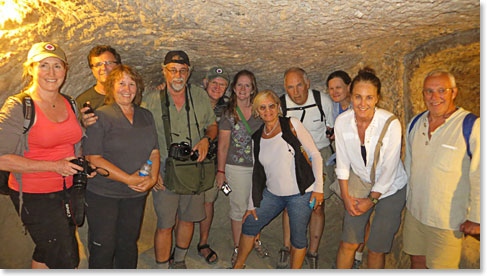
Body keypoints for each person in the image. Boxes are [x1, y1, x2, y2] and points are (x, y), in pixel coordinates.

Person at [0, 42, 87, 269]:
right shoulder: (18, 107)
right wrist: (54, 166)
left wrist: (82, 166)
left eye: (57, 66)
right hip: (34, 194)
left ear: (65, 70)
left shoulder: (69, 102)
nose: (51, 73)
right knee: (66, 258)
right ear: (31, 68)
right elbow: (1, 158)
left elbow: (73, 141)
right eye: (43, 65)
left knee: (47, 249)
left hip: (66, 189)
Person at [141, 50, 218, 269]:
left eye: (182, 71)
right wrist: (151, 172)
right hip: (164, 169)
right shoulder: (152, 100)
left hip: (194, 168)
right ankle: (163, 267)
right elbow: (141, 140)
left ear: (189, 72)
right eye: (173, 70)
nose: (178, 75)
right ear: (164, 71)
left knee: (187, 218)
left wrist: (205, 140)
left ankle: (180, 261)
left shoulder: (199, 96)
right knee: (165, 223)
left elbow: (212, 125)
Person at [232, 89, 323, 269]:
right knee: (250, 224)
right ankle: (238, 267)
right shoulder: (257, 138)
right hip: (273, 194)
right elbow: (257, 173)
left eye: (271, 106)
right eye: (262, 108)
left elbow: (315, 155)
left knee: (298, 237)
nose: (268, 111)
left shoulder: (292, 124)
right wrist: (251, 205)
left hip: (301, 193)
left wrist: (318, 189)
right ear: (257, 111)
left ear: (278, 106)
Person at [82, 65, 160, 268]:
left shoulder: (146, 115)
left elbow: (154, 151)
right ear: (111, 87)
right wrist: (128, 179)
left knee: (128, 244)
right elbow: (94, 158)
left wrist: (151, 179)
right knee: (103, 246)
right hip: (104, 194)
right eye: (121, 83)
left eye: (131, 84)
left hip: (135, 195)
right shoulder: (100, 116)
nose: (127, 89)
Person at [403, 70, 480, 269]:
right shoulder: (415, 124)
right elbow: (410, 167)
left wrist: (477, 217)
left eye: (441, 91)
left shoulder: (471, 125)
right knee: (417, 262)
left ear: (453, 92)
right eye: (429, 91)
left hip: (446, 220)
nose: (435, 97)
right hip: (415, 213)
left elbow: (480, 173)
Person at [334, 67, 407, 269]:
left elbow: (389, 170)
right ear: (351, 95)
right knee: (348, 242)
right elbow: (342, 164)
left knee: (375, 247)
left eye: (369, 97)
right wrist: (346, 196)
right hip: (360, 184)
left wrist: (371, 200)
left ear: (377, 98)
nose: (362, 103)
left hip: (391, 188)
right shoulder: (342, 122)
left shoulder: (390, 123)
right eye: (358, 97)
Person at [278, 67, 334, 269]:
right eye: (291, 87)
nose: (296, 92)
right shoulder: (282, 104)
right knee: (289, 203)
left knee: (317, 205)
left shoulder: (322, 101)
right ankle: (287, 247)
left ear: (307, 82)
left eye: (299, 85)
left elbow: (333, 127)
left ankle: (313, 252)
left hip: (320, 153)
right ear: (285, 88)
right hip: (294, 156)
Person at [214, 70, 266, 266]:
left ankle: (255, 240)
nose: (243, 89)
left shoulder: (259, 110)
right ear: (234, 88)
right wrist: (221, 172)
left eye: (248, 85)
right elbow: (223, 145)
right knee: (238, 208)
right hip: (236, 167)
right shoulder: (229, 113)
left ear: (253, 89)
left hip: (259, 167)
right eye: (240, 85)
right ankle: (238, 247)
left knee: (257, 206)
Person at [327, 70, 366, 269]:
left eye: (339, 87)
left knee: (360, 211)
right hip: (344, 165)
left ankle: (356, 255)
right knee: (352, 211)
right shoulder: (335, 106)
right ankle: (353, 255)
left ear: (348, 87)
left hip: (361, 167)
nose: (335, 92)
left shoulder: (358, 106)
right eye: (331, 88)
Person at [195, 66, 230, 264]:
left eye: (222, 84)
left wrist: (220, 170)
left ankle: (203, 242)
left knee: (208, 202)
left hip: (212, 163)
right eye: (214, 82)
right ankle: (178, 245)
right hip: (188, 164)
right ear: (206, 83)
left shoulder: (225, 109)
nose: (217, 87)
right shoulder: (192, 100)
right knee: (183, 204)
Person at [76, 45, 122, 126]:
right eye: (98, 64)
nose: (104, 68)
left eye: (109, 63)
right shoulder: (82, 101)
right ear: (92, 69)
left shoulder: (128, 93)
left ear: (118, 65)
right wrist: (84, 125)